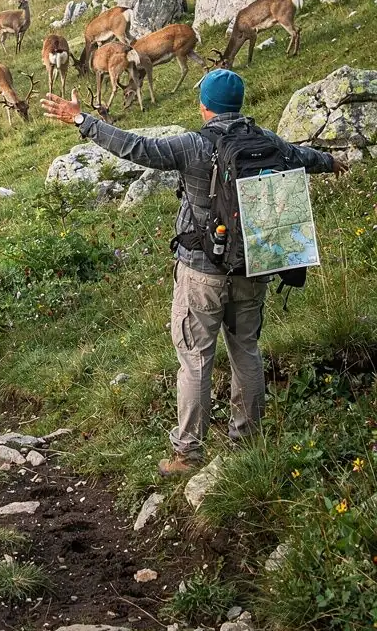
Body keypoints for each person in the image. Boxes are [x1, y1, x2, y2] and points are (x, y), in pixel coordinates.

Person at [42, 69, 346, 476]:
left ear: (205, 106)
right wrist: (331, 160)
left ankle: (188, 454)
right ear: (237, 103)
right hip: (253, 269)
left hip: (201, 272)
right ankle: (249, 440)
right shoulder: (267, 140)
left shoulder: (194, 145)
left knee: (196, 360)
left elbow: (137, 147)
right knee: (247, 353)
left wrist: (82, 120)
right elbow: (303, 157)